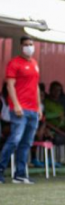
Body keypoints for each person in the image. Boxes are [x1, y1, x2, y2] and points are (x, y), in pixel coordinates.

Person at [0, 36, 42, 184]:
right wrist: (16, 105)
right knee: (14, 140)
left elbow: (36, 86)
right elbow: (9, 85)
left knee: (26, 143)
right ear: (21, 46)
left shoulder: (35, 64)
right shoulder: (14, 63)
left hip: (32, 110)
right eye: (26, 44)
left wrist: (38, 106)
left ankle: (20, 174)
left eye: (31, 44)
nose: (29, 47)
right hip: (20, 109)